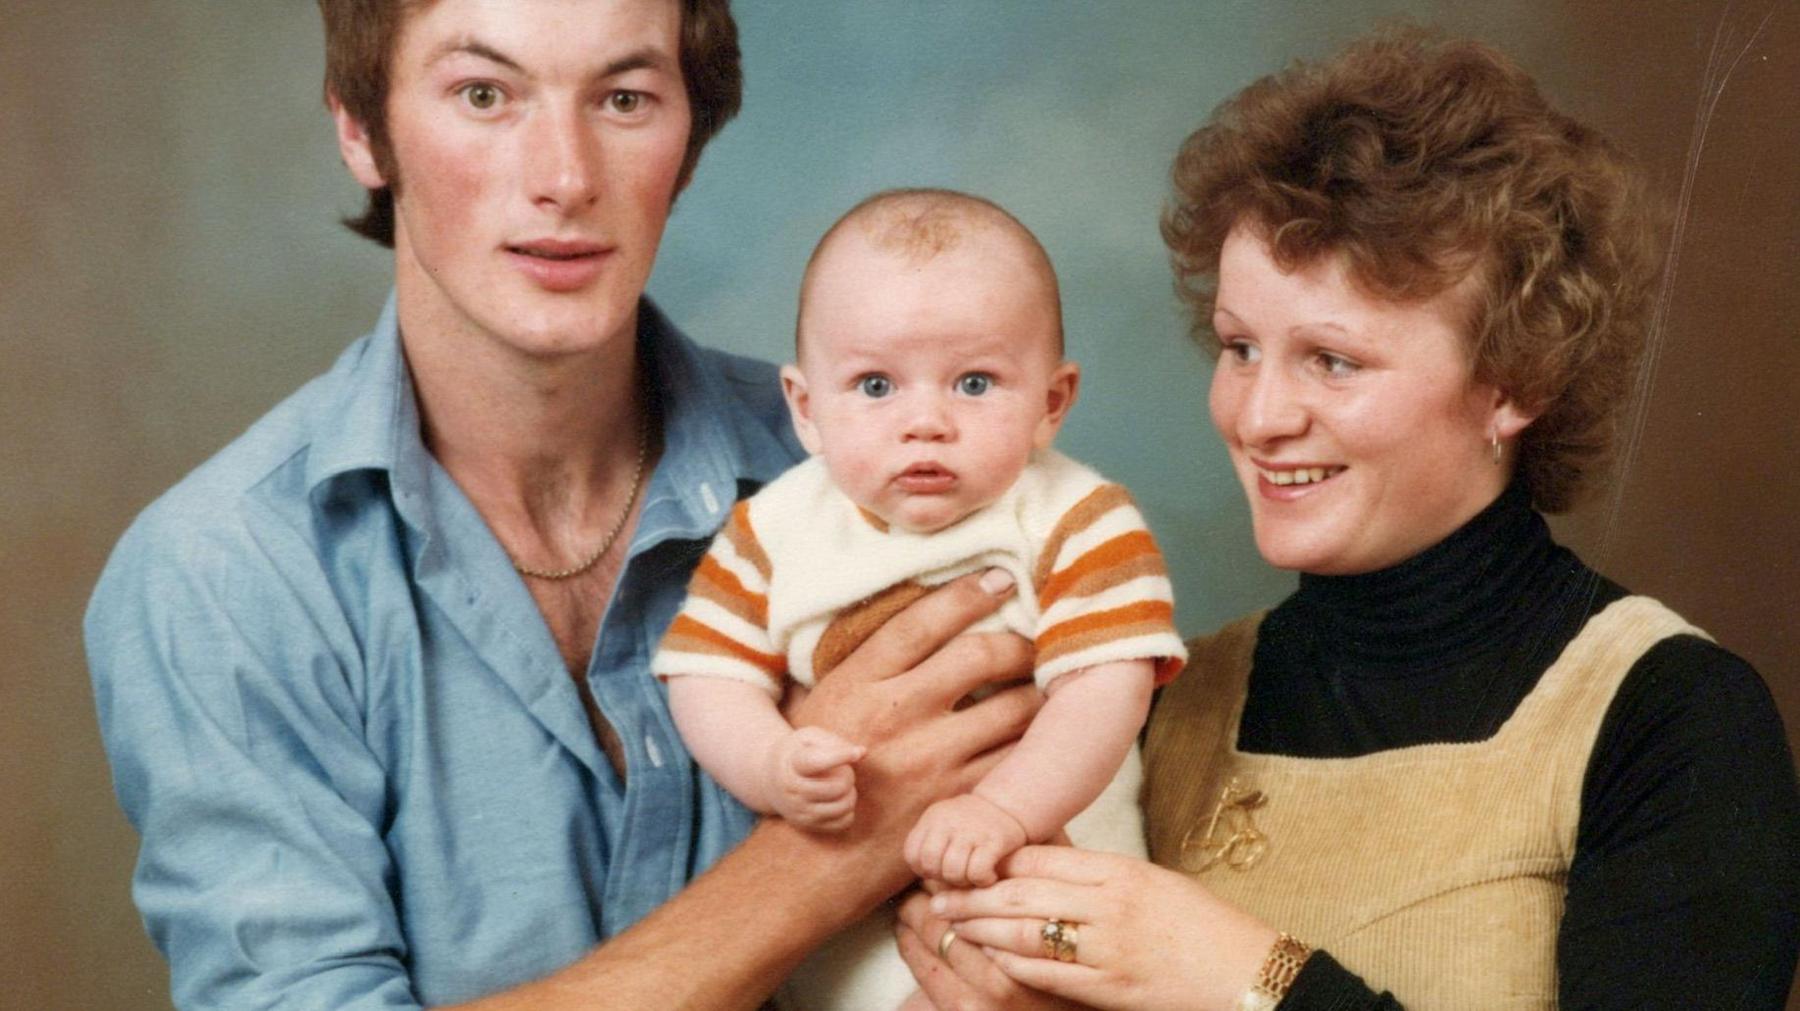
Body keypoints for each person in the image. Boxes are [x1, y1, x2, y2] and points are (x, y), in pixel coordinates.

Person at [84, 2, 1041, 1008]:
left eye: (624, 99)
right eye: (484, 95)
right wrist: (811, 866)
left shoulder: (897, 471)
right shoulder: (225, 573)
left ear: (687, 143)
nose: (567, 178)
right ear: (361, 132)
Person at [898, 27, 1800, 1010]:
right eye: (1241, 348)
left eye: (1333, 359)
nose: (1260, 417)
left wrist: (1249, 977)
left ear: (1513, 383)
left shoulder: (1672, 718)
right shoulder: (1150, 700)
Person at [652, 189, 1186, 1009]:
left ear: (1051, 403)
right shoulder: (774, 529)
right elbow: (704, 672)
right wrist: (770, 761)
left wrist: (1004, 811)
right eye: (874, 386)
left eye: (974, 382)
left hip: (1042, 888)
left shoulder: (1077, 518)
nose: (925, 421)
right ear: (806, 408)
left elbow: (1106, 687)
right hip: (840, 917)